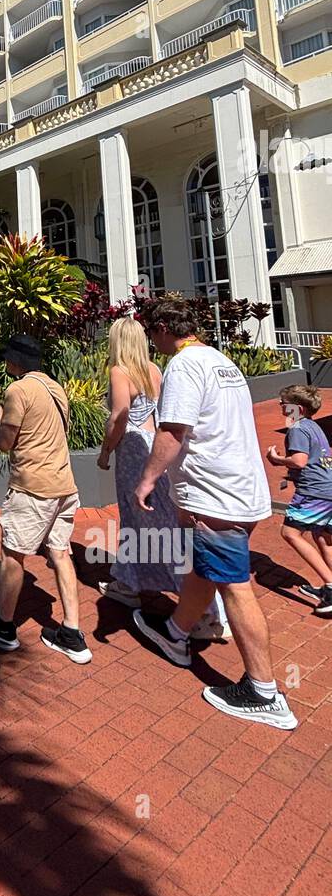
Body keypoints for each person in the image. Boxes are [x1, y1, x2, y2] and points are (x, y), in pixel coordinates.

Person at [133, 297, 297, 730]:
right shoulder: (221, 361)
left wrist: (148, 479)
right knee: (204, 569)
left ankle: (263, 691)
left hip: (216, 496)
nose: (152, 340)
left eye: (152, 331)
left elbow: (172, 430)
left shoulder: (184, 366)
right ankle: (175, 634)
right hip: (239, 490)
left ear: (166, 328)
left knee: (234, 585)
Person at [97, 318, 228, 639]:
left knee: (149, 525)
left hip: (130, 451)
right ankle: (129, 581)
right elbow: (159, 415)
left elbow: (119, 415)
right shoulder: (154, 370)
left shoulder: (120, 371)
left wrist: (105, 451)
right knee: (155, 523)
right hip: (152, 448)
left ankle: (204, 612)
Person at [0, 334, 92, 665]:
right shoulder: (56, 388)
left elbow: (6, 441)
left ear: (16, 362)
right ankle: (71, 632)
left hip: (33, 487)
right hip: (64, 485)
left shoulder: (18, 390)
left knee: (13, 555)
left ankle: (3, 626)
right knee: (60, 554)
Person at [266, 384, 332, 616]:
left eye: (284, 403)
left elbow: (299, 461)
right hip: (328, 488)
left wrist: (276, 459)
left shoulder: (297, 429)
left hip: (313, 491)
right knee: (323, 538)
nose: (281, 405)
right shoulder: (314, 426)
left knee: (290, 533)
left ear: (298, 408)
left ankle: (330, 588)